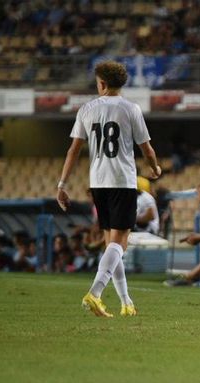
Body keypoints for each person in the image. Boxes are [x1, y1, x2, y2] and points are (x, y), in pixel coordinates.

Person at [56, 60, 161, 317]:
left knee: (110, 244)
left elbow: (74, 150)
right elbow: (146, 148)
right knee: (120, 244)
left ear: (101, 83)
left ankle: (126, 302)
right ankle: (95, 293)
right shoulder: (130, 109)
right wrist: (155, 168)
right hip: (122, 181)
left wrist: (62, 184)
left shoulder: (87, 109)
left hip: (98, 182)